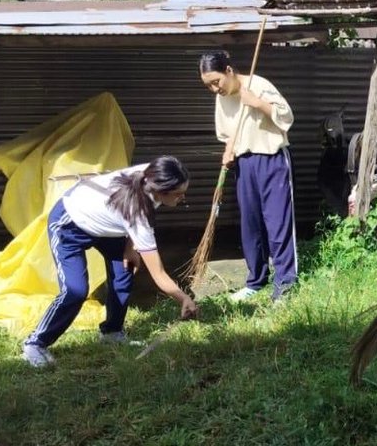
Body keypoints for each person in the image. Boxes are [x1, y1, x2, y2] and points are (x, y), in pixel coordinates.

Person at [21, 157, 199, 367]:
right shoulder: (136, 212)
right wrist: (183, 298)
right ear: (159, 190)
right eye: (178, 194)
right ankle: (35, 343)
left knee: (124, 272)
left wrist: (131, 247)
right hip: (70, 222)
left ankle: (112, 332)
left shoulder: (150, 174)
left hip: (108, 224)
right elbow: (158, 273)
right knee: (75, 290)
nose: (183, 197)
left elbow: (142, 214)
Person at [199, 50, 297, 302]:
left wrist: (258, 103)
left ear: (229, 71)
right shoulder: (222, 98)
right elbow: (230, 130)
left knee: (277, 222)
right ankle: (256, 280)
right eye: (208, 85)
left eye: (216, 81)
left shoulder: (259, 84)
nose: (214, 89)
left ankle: (285, 283)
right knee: (250, 224)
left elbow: (287, 117)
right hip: (245, 163)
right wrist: (228, 150)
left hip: (271, 159)